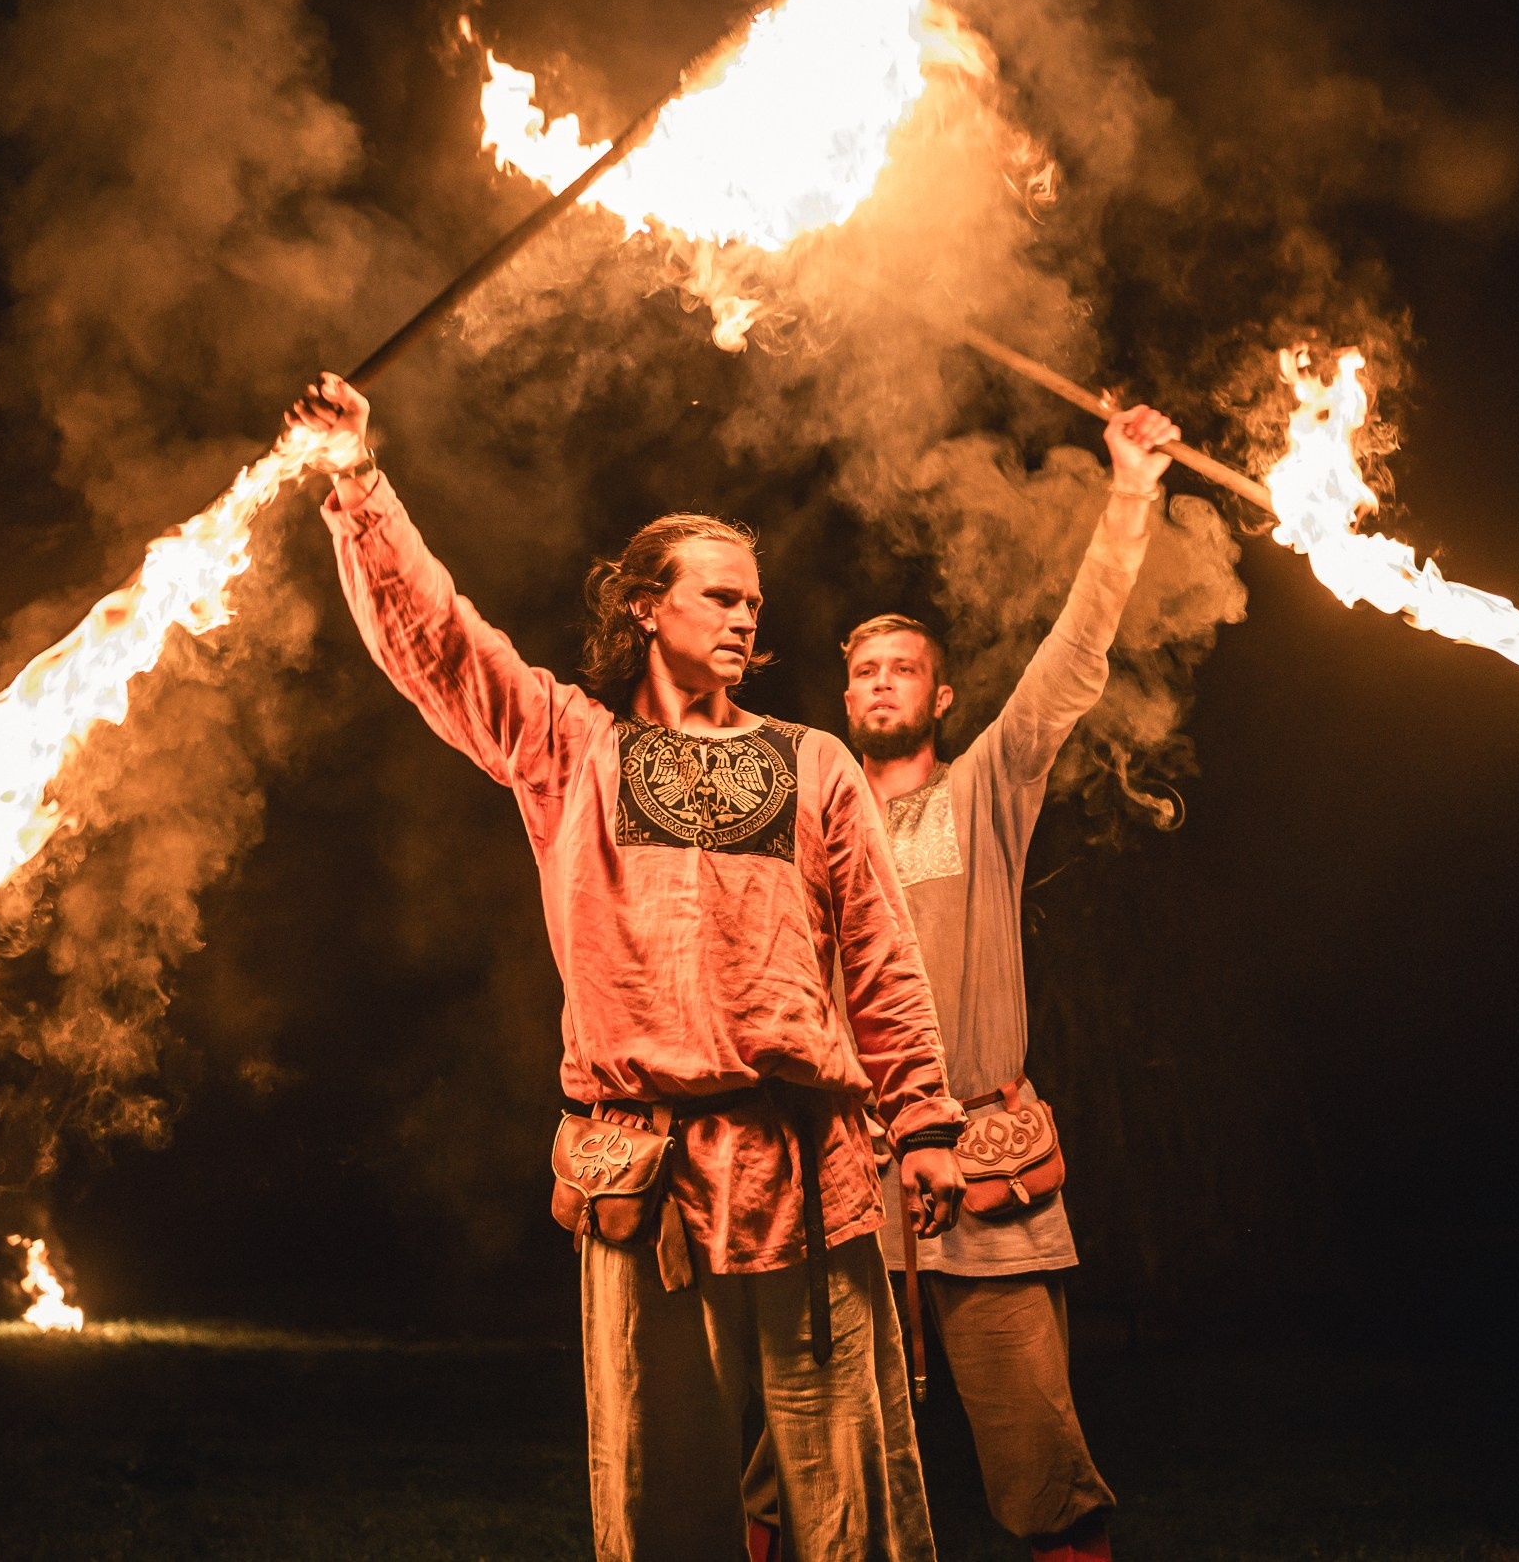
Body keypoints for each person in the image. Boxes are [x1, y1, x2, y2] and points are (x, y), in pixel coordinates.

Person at [290, 373, 972, 1562]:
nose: (746, 619)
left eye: (755, 602)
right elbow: (441, 643)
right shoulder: (572, 749)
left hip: (806, 1166)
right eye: (720, 596)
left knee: (850, 1497)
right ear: (647, 608)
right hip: (641, 1169)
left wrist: (920, 1123)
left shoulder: (815, 764)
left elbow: (880, 961)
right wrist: (356, 481)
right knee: (661, 1495)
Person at [756, 403, 1182, 1562]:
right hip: (841, 1168)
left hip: (984, 1160)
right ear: (844, 700)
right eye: (864, 673)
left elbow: (1073, 658)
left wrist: (1130, 493)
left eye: (904, 670)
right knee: (790, 1464)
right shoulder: (806, 822)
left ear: (941, 698)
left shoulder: (986, 789)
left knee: (1040, 1453)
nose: (882, 684)